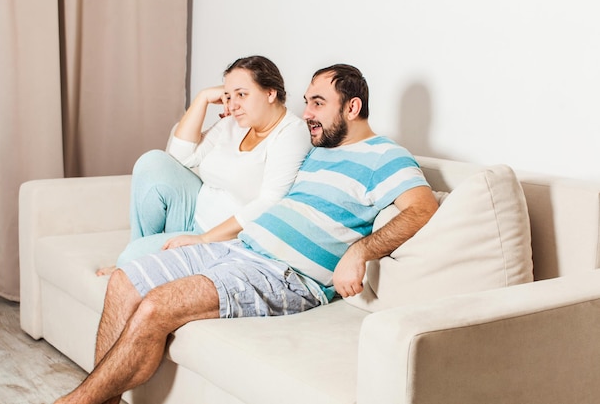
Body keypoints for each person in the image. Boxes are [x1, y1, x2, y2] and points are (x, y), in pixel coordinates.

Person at [55, 64, 439, 404]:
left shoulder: (385, 156)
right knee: (123, 282)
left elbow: (423, 208)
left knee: (157, 306)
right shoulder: (321, 149)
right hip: (241, 247)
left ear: (352, 107)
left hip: (287, 276)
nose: (306, 114)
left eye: (318, 103)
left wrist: (359, 251)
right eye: (306, 102)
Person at [97, 55, 312, 275]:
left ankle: (135, 259)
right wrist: (203, 98)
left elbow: (270, 201)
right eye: (228, 96)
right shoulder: (234, 122)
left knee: (129, 259)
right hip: (191, 214)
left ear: (270, 93)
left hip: (221, 237)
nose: (234, 104)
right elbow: (179, 158)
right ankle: (140, 250)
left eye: (242, 94)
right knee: (152, 162)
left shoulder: (291, 133)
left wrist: (202, 239)